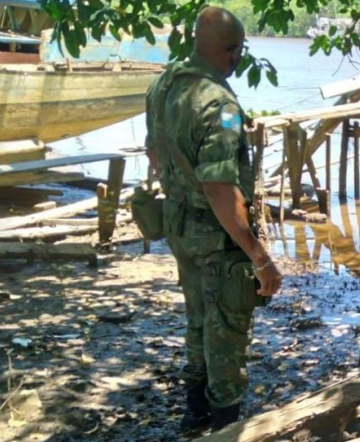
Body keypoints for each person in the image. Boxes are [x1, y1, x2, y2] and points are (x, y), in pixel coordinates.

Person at [145, 6, 282, 433]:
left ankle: (194, 414)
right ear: (233, 51)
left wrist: (177, 185)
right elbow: (219, 189)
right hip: (214, 234)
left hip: (177, 225)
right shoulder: (222, 106)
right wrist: (260, 258)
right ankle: (225, 425)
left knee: (199, 316)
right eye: (240, 51)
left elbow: (153, 149)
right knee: (227, 328)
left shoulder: (163, 85)